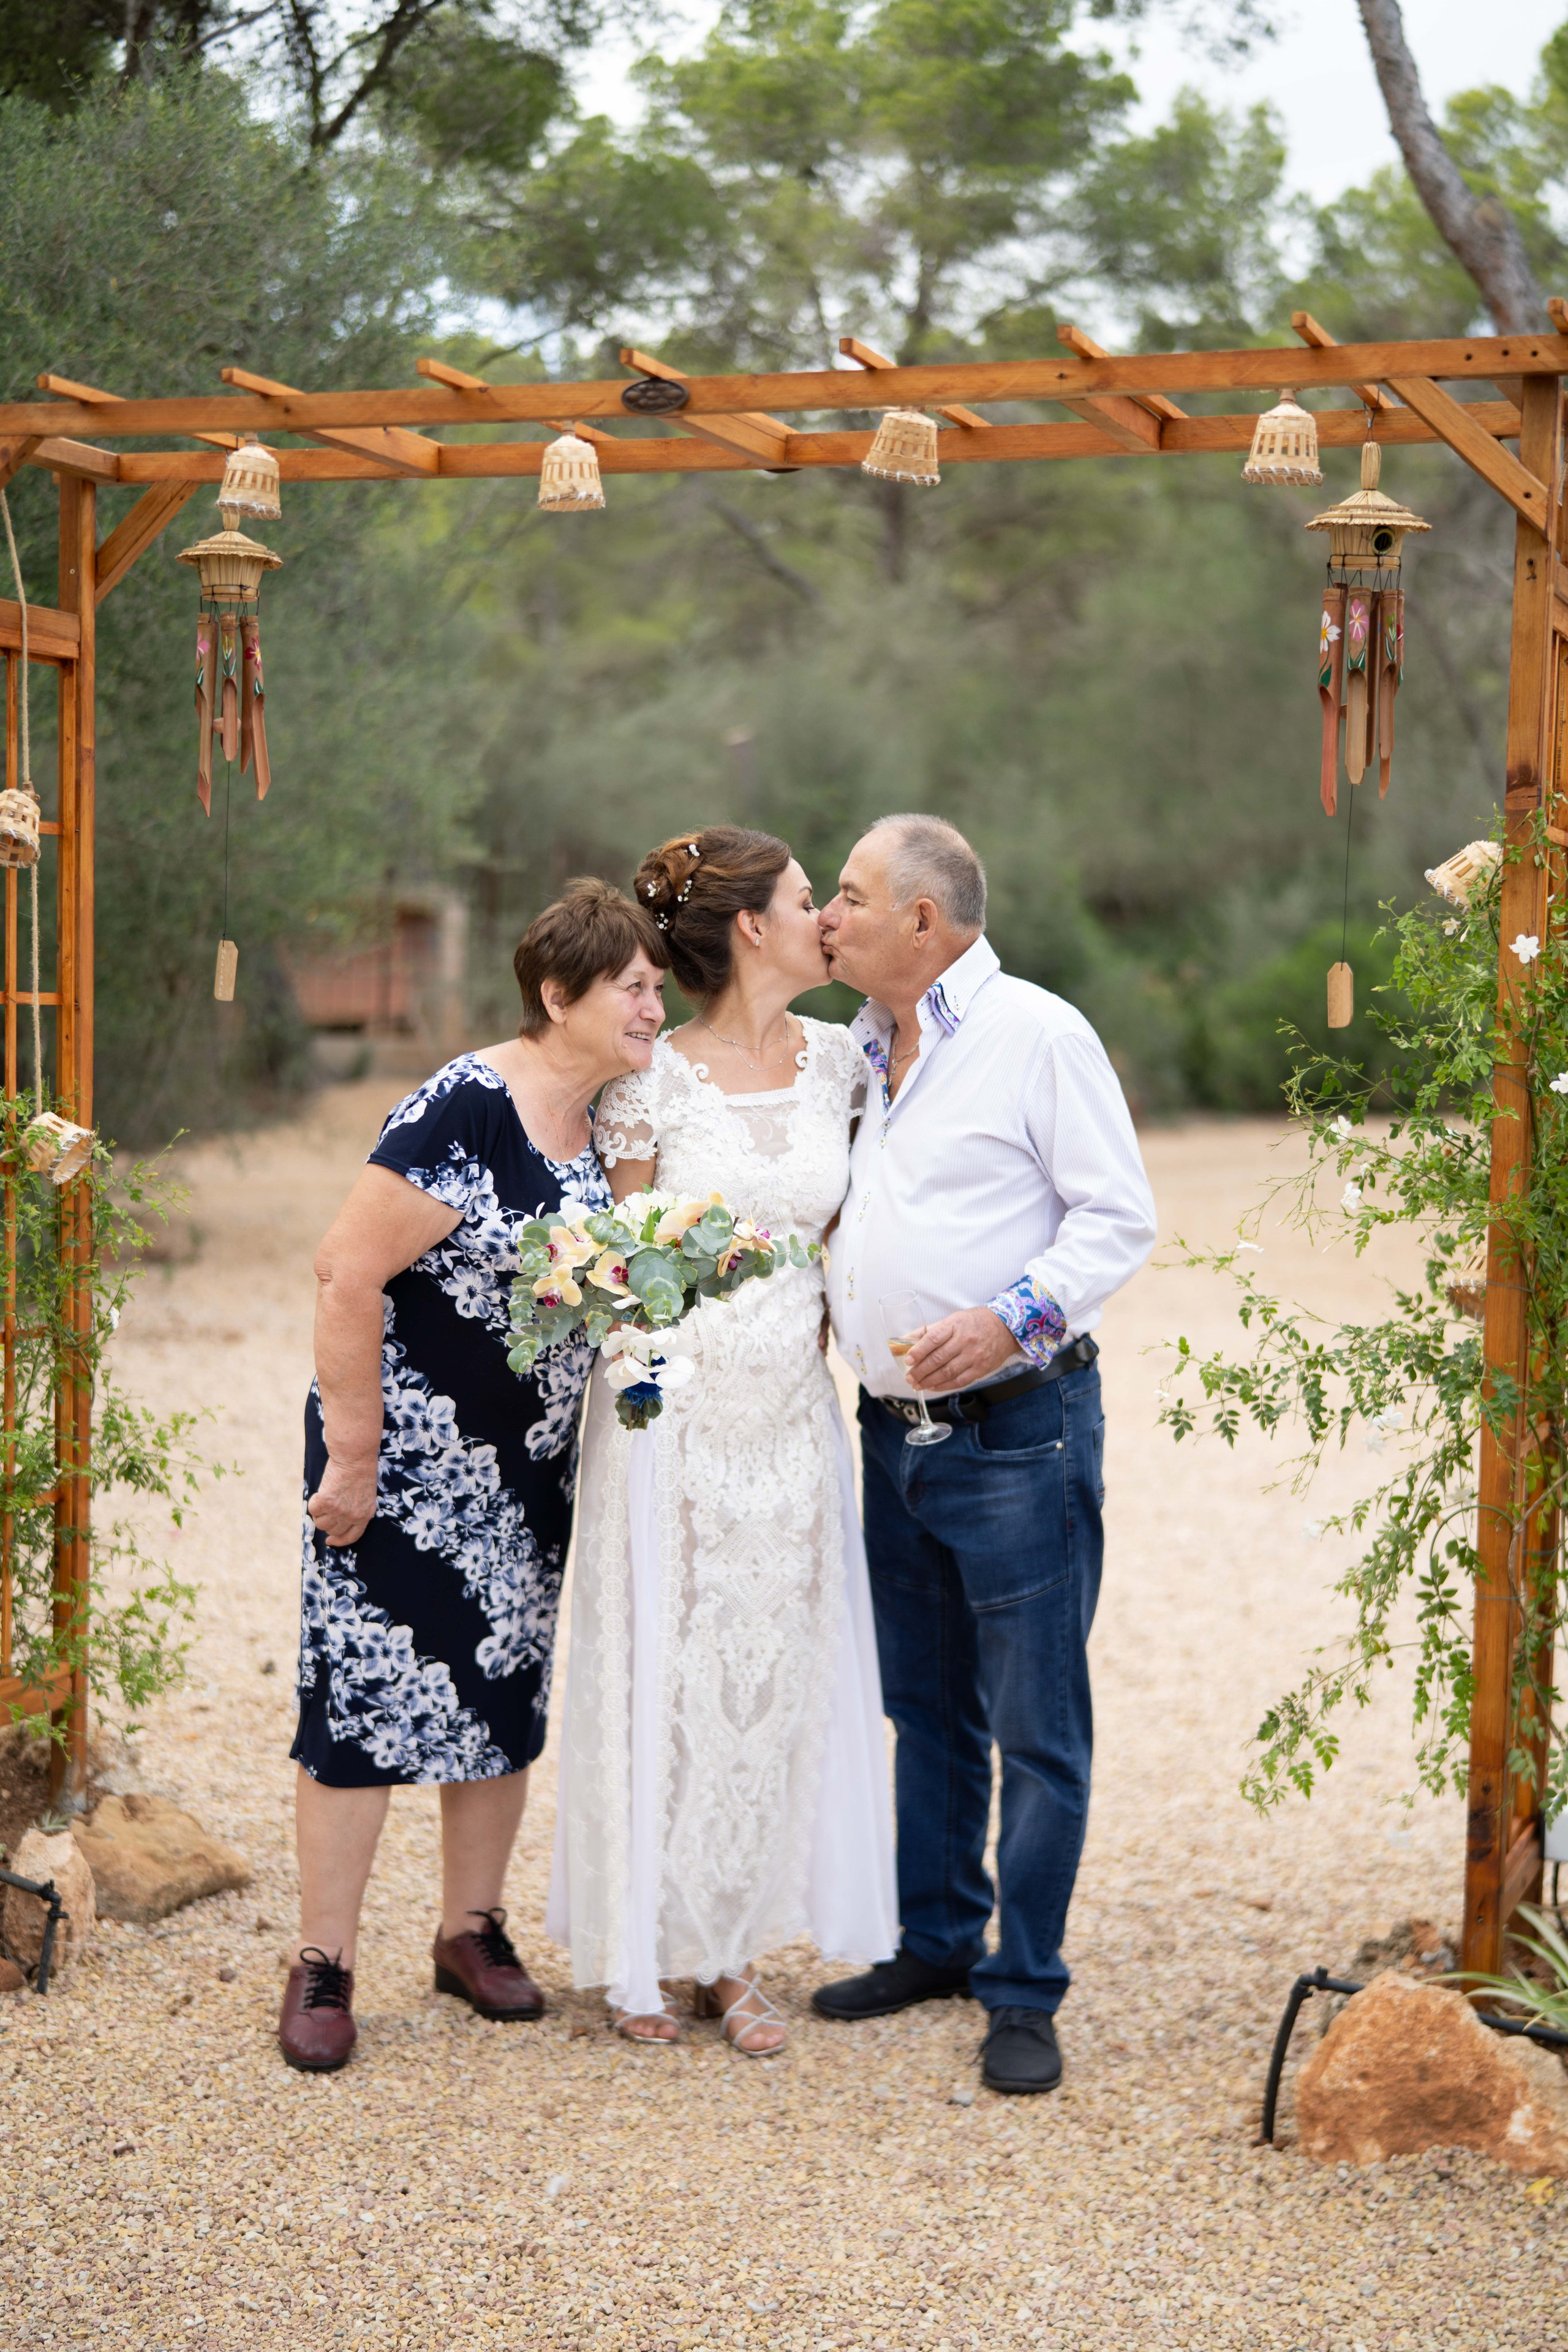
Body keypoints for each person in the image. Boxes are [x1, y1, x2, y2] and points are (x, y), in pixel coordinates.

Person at [277, 879, 668, 2073]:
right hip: (399, 1466)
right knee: (363, 1703)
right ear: (559, 995)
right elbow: (345, 1273)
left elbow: (611, 1284)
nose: (654, 1004)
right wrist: (353, 1456)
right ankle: (324, 1963)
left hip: (526, 1471)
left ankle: (468, 1933)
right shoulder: (463, 1105)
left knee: (499, 1698)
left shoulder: (609, 1123)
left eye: (658, 984)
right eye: (633, 987)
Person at [812, 815, 1156, 2096]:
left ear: (921, 918)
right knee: (926, 1710)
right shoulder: (847, 1054)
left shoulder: (1034, 1034)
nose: (826, 917)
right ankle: (938, 1942)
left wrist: (1005, 1316)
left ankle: (1024, 1989)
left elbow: (1117, 1216)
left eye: (846, 895)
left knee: (1034, 1726)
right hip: (887, 1438)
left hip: (1017, 1432)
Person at [548, 827, 897, 2054]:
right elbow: (621, 1256)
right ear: (753, 926)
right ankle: (650, 1946)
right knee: (669, 1673)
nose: (829, 920)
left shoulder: (842, 1064)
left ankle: (733, 1953)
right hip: (675, 1416)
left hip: (792, 1421)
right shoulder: (655, 1077)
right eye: (812, 900)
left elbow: (857, 1231)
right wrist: (650, 1382)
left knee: (766, 1679)